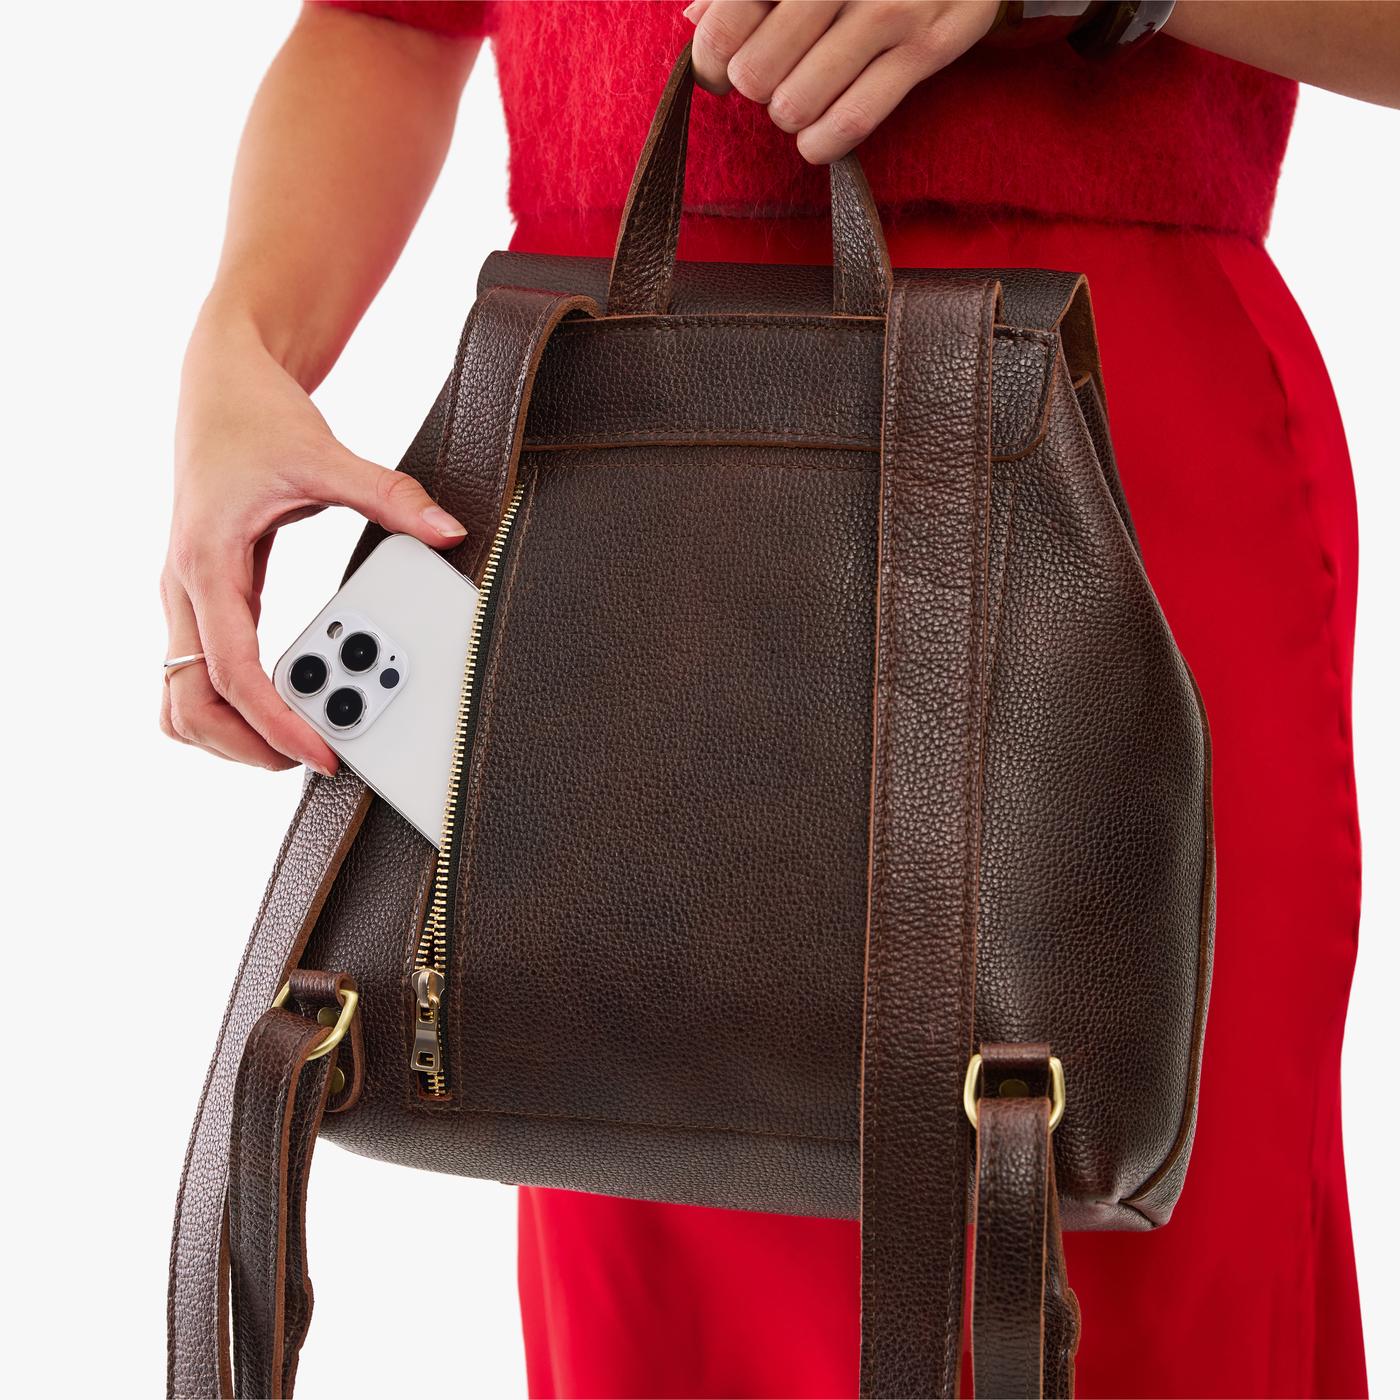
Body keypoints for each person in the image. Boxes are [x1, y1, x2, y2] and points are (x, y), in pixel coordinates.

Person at [162, 3, 1400, 1395]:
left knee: (1102, 1280)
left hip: (1077, 442)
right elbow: (386, 19)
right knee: (640, 1254)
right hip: (597, 430)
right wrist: (242, 349)